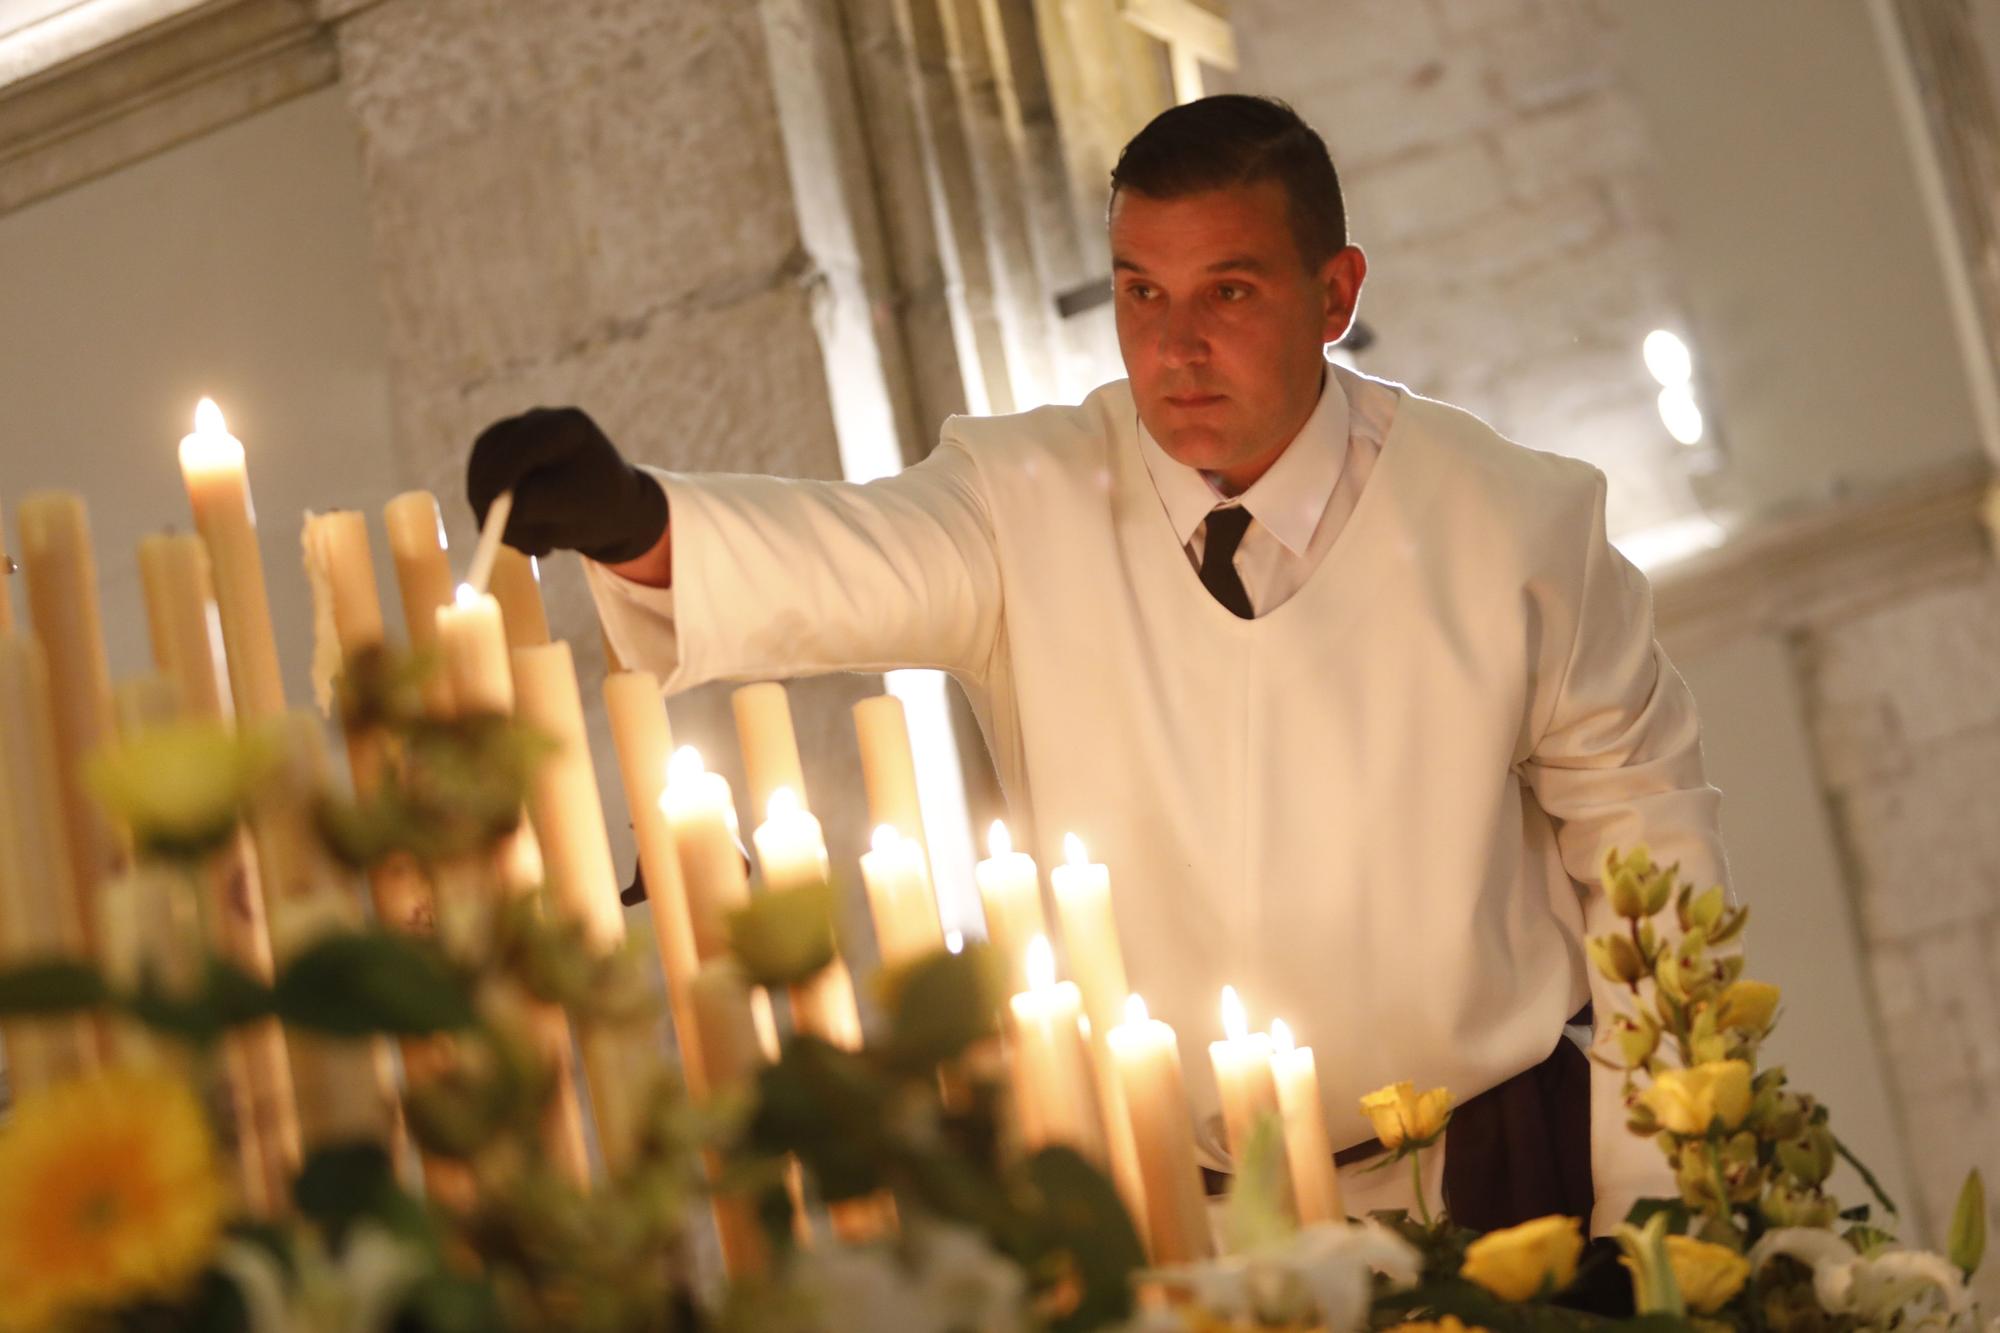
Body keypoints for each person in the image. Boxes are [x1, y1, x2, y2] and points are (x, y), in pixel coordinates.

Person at [466, 94, 1727, 1248]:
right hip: (1182, 1210)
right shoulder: (1024, 498)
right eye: (1139, 293)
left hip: (1500, 1181)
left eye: (1227, 293)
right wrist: (633, 522)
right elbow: (846, 558)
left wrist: (1654, 1209)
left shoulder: (1514, 521)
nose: (1173, 349)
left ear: (1332, 293)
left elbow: (1649, 857)